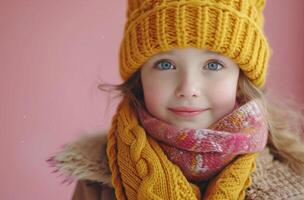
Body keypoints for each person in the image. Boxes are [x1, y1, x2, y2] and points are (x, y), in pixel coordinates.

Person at [47, 0, 304, 199]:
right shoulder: (97, 181)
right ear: (140, 78)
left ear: (241, 79)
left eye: (213, 65)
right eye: (166, 64)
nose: (188, 88)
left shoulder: (293, 183)